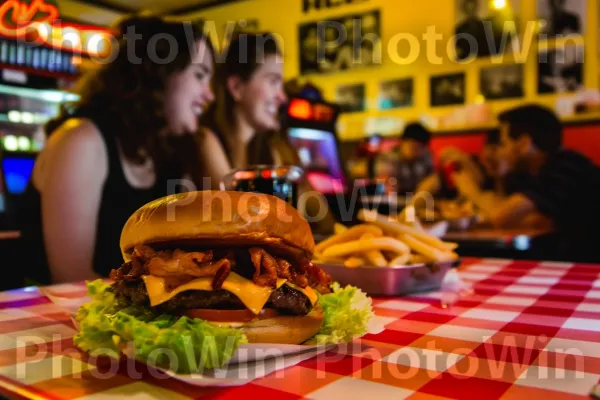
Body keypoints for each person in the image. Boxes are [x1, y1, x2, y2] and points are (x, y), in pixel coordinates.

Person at [18, 14, 215, 284]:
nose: (209, 94)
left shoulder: (168, 153)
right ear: (156, 74)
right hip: (53, 321)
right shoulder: (82, 140)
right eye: (200, 75)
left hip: (128, 318)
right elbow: (70, 278)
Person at [452, 104, 600, 262]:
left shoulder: (565, 167)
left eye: (504, 144)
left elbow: (500, 217)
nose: (502, 152)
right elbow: (535, 221)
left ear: (524, 143)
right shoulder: (540, 170)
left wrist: (470, 190)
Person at [197, 33, 289, 188]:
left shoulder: (268, 151)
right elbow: (233, 205)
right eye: (273, 82)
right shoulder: (205, 140)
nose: (282, 97)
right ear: (236, 87)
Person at [387, 122, 434, 195]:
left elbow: (432, 180)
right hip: (396, 202)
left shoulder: (424, 156)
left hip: (417, 200)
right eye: (413, 146)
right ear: (402, 142)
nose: (417, 151)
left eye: (420, 147)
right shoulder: (389, 159)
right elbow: (389, 189)